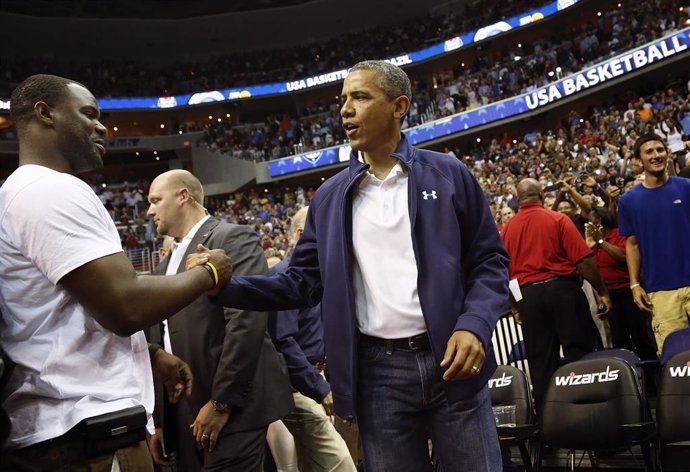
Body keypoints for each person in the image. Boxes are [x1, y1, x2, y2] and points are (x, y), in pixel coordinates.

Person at [191, 60, 509, 472]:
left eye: (359, 97)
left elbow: (490, 260)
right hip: (378, 375)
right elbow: (299, 284)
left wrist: (475, 325)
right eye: (343, 100)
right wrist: (228, 288)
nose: (345, 109)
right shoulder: (329, 197)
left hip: (452, 361)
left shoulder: (447, 172)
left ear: (399, 106)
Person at [0, 75, 231, 471]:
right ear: (45, 113)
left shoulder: (16, 193)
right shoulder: (51, 190)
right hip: (83, 432)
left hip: (57, 427)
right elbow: (125, 305)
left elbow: (64, 306)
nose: (103, 126)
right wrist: (209, 272)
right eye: (88, 114)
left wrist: (150, 352)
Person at [145, 170, 294, 472]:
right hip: (184, 414)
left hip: (232, 409)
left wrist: (222, 402)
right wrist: (158, 422)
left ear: (183, 196)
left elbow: (247, 323)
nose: (149, 210)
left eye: (155, 200)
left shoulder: (231, 237)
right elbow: (159, 339)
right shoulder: (162, 266)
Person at [501, 178, 611, 416]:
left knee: (541, 364)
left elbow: (505, 275)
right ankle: (591, 416)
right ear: (541, 194)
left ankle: (550, 426)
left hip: (528, 297)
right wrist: (602, 291)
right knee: (580, 353)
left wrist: (515, 306)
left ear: (518, 199)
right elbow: (584, 261)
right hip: (562, 290)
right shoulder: (558, 219)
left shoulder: (507, 230)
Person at [267, 207, 356, 472]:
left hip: (318, 378)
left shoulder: (325, 275)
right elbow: (282, 340)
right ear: (300, 234)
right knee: (341, 465)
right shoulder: (285, 275)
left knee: (312, 464)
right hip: (295, 387)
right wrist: (319, 386)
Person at [618, 133, 690, 353]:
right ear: (639, 161)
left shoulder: (687, 187)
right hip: (660, 291)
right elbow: (632, 244)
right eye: (649, 151)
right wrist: (634, 283)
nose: (656, 155)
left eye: (660, 150)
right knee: (676, 361)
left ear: (667, 154)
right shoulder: (628, 201)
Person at [584, 207, 657, 360]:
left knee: (640, 337)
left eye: (590, 222)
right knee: (619, 339)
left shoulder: (618, 235)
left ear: (599, 221)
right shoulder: (593, 244)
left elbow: (622, 257)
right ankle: (626, 373)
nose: (587, 226)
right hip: (610, 296)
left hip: (629, 293)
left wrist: (601, 241)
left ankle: (651, 378)